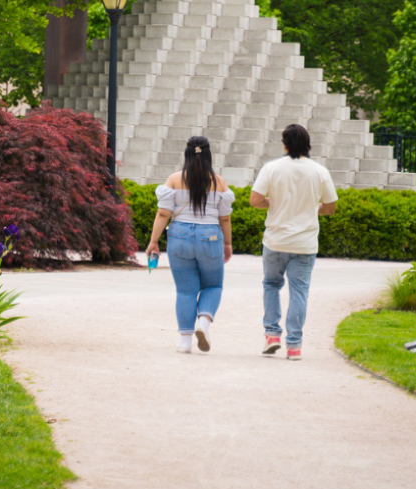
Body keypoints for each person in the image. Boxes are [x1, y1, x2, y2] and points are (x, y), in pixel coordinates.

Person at [250, 123, 338, 360]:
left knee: (271, 285)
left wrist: (274, 203)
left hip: (275, 240)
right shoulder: (319, 171)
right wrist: (311, 207)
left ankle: (272, 334)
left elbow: (255, 200)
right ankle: (294, 346)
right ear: (308, 144)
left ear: (284, 144)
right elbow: (330, 208)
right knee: (299, 292)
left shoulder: (271, 168)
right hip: (305, 243)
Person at [145, 135, 235, 354]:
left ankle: (184, 341)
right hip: (210, 237)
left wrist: (153, 240)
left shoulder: (174, 179)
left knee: (185, 291)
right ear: (208, 155)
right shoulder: (219, 182)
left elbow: (163, 213)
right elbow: (224, 218)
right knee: (213, 285)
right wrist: (228, 243)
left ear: (187, 153)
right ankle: (203, 322)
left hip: (180, 236)